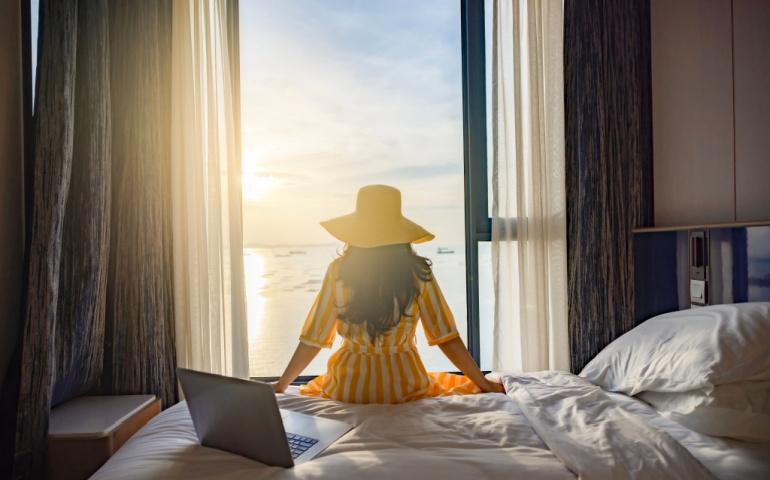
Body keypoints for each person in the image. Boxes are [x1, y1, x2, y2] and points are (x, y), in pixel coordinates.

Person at [272, 184, 504, 403]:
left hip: (349, 387)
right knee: (452, 383)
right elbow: (446, 337)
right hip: (404, 386)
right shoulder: (417, 272)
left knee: (318, 385)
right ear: (399, 232)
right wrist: (483, 383)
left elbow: (314, 338)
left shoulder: (339, 271)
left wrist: (282, 385)